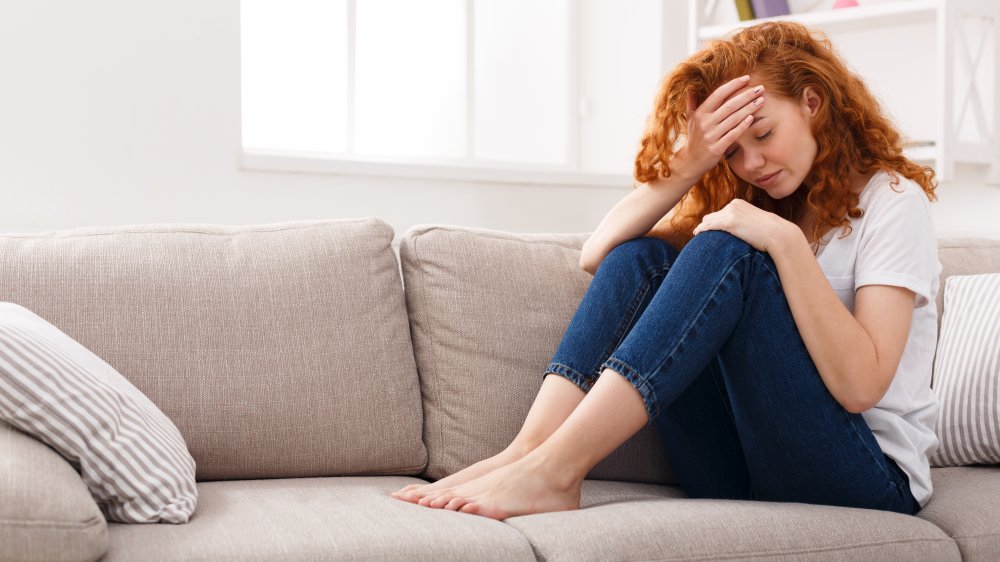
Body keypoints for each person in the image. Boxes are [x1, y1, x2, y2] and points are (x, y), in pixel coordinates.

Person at [390, 20, 942, 521]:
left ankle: (556, 471)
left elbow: (860, 387)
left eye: (764, 135)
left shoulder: (893, 201)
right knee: (643, 256)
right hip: (741, 468)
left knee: (726, 250)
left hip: (865, 477)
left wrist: (786, 243)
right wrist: (692, 162)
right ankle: (529, 451)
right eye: (733, 151)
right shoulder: (765, 203)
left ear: (812, 102)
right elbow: (599, 254)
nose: (751, 164)